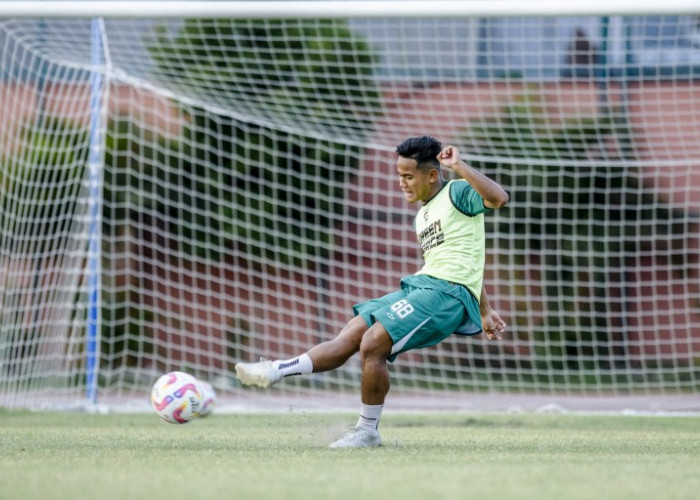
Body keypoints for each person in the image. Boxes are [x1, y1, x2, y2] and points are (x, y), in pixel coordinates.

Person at [235, 136, 509, 448]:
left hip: (446, 296)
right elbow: (464, 260)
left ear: (432, 175)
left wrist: (458, 166)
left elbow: (499, 198)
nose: (402, 184)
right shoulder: (422, 215)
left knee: (373, 343)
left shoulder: (456, 191)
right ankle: (276, 370)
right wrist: (485, 310)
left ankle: (367, 431)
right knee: (352, 333)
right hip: (423, 285)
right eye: (399, 176)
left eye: (408, 176)